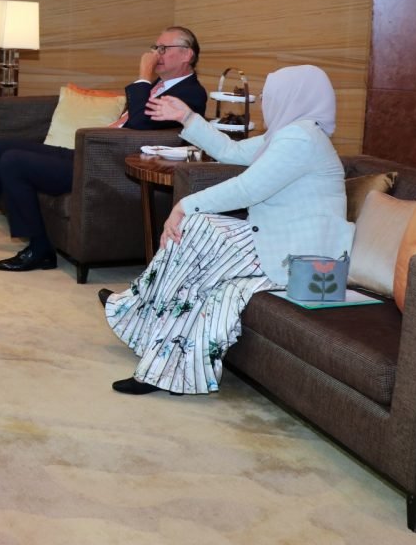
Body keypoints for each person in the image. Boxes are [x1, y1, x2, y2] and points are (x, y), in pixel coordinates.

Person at [101, 65, 354, 395]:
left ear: (292, 97)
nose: (263, 101)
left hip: (306, 264)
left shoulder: (300, 138)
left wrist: (183, 206)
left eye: (269, 95)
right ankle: (153, 344)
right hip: (281, 244)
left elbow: (248, 189)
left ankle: (137, 311)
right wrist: (187, 117)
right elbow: (230, 152)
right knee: (196, 240)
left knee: (196, 230)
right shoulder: (292, 133)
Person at [0, 26, 209, 272]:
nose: (156, 54)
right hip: (92, 152)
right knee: (1, 146)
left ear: (187, 55)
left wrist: (143, 76)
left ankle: (40, 248)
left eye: (163, 48)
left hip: (109, 166)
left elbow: (140, 123)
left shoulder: (190, 93)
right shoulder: (162, 86)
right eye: (155, 47)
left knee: (13, 161)